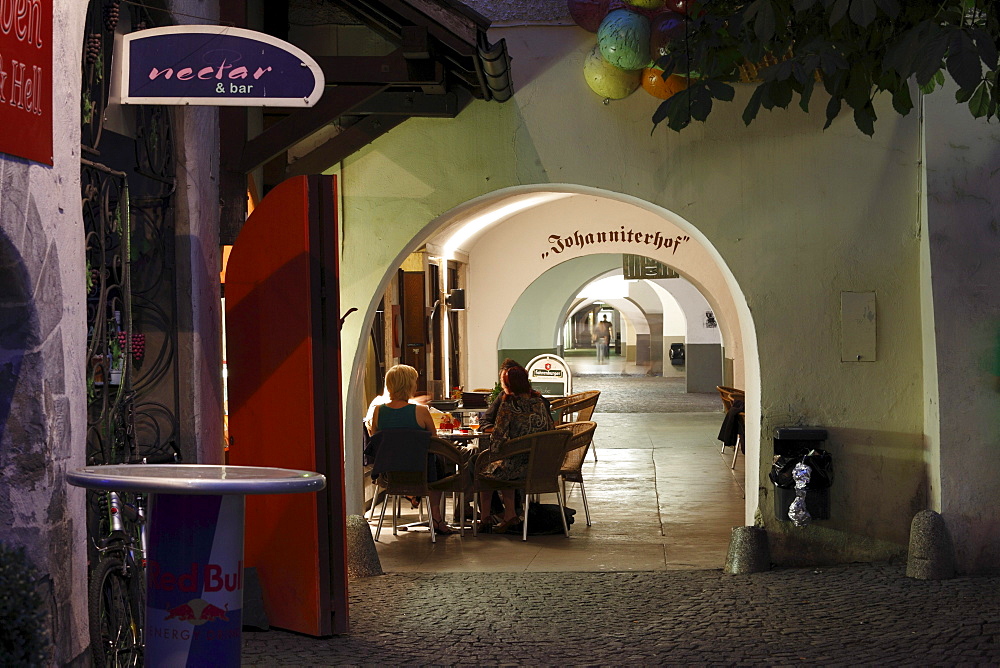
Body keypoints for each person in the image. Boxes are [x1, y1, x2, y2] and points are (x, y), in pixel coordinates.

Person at [366, 364, 455, 535]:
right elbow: (434, 441)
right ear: (408, 385)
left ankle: (423, 506)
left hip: (390, 472)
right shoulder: (421, 411)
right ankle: (436, 518)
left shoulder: (378, 411)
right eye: (414, 381)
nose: (416, 385)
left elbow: (377, 440)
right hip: (422, 472)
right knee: (442, 465)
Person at [478, 365, 554, 533]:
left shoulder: (508, 404)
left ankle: (485, 518)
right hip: (541, 465)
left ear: (508, 384)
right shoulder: (540, 402)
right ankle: (509, 515)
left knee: (484, 468)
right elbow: (551, 430)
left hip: (517, 467)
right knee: (503, 464)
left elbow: (497, 439)